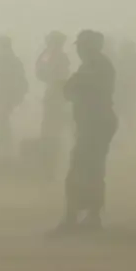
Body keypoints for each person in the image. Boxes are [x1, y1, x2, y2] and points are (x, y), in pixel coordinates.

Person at [53, 31, 117, 235]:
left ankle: (75, 217)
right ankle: (89, 216)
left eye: (81, 46)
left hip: (95, 123)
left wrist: (70, 86)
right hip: (94, 122)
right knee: (92, 169)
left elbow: (76, 89)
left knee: (81, 169)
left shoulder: (96, 66)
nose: (79, 50)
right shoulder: (93, 64)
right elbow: (72, 89)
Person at [33, 31, 72, 168]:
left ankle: (50, 163)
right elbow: (40, 71)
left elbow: (41, 71)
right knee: (52, 129)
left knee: (52, 130)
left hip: (57, 96)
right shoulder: (53, 56)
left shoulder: (57, 57)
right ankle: (49, 162)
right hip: (56, 95)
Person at [0, 36, 29, 165]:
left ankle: (1, 161)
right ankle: (1, 160)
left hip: (4, 102)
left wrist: (9, 100)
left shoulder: (11, 63)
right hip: (1, 102)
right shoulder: (5, 62)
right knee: (0, 128)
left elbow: (18, 84)